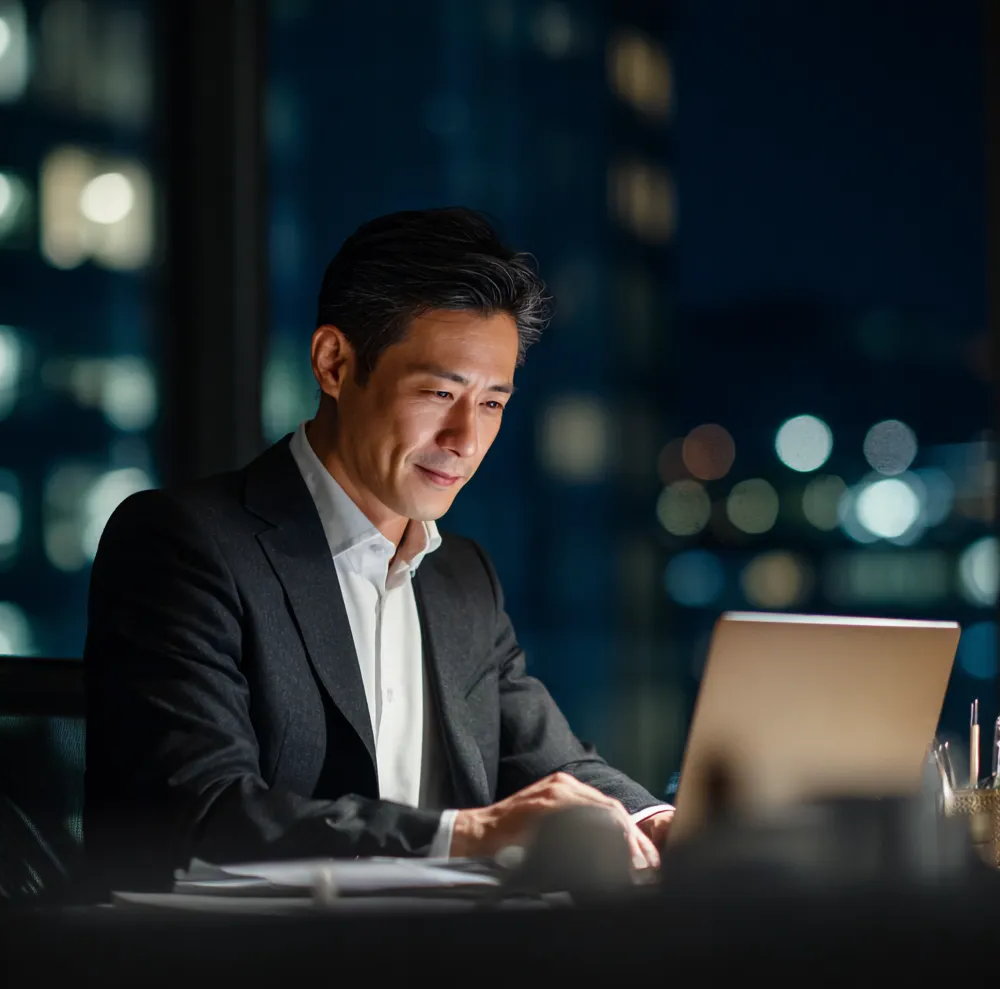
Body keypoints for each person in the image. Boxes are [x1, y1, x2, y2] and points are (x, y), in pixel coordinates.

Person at [82, 207, 673, 891]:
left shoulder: (460, 576)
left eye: (491, 405)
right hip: (233, 976)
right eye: (438, 392)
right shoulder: (184, 544)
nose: (465, 439)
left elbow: (552, 768)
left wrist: (657, 819)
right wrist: (468, 835)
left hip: (432, 968)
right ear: (334, 364)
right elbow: (200, 812)